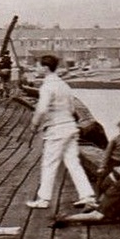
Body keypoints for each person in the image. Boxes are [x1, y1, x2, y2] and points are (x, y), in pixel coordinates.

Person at [27, 55, 97, 210]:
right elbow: (72, 109)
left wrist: (34, 124)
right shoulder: (64, 85)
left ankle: (43, 199)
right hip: (71, 127)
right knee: (73, 163)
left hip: (56, 129)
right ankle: (87, 196)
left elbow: (42, 109)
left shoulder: (47, 87)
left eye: (37, 66)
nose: (36, 69)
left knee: (49, 163)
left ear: (45, 68)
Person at [86, 115, 120, 186]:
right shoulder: (115, 139)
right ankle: (99, 194)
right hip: (112, 162)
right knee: (102, 180)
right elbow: (107, 153)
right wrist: (102, 166)